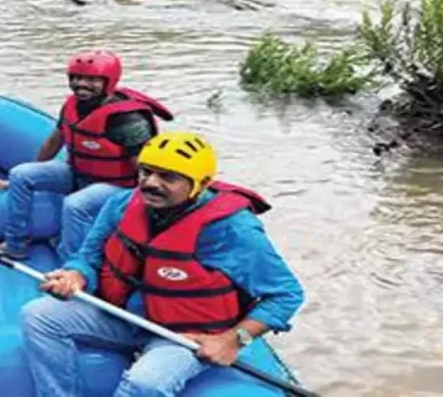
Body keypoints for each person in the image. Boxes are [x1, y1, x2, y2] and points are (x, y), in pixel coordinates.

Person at [19, 131, 305, 396]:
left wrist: (234, 339)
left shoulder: (232, 230)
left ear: (201, 183)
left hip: (183, 336)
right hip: (123, 317)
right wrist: (76, 275)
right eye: (146, 171)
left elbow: (286, 294)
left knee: (146, 383)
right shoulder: (121, 204)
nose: (151, 183)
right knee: (39, 315)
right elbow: (88, 256)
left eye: (168, 177)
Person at [0, 50, 173, 262]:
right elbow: (54, 141)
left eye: (92, 80)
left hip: (117, 185)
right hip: (78, 173)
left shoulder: (126, 119)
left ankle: (73, 265)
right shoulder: (71, 105)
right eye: (76, 78)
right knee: (20, 174)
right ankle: (15, 245)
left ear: (108, 82)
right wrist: (28, 175)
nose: (81, 84)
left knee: (75, 204)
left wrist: (149, 203)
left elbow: (144, 164)